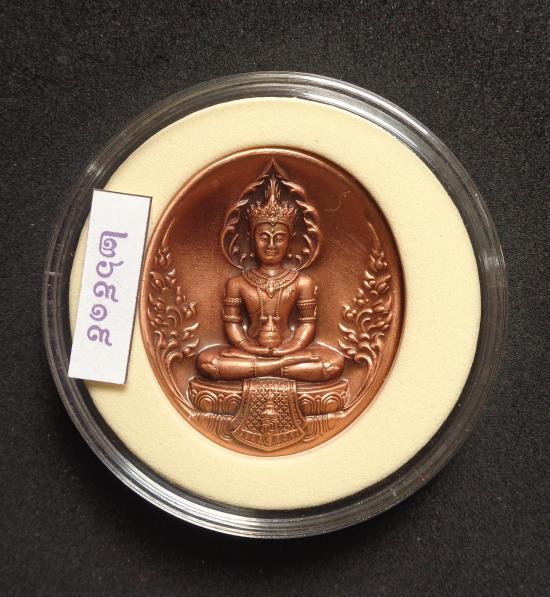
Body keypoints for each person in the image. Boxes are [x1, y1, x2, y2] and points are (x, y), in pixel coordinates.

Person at [196, 173, 344, 382]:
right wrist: (251, 347)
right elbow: (233, 326)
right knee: (206, 361)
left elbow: (306, 324)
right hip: (250, 352)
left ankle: (262, 369)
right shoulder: (237, 284)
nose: (271, 245)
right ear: (251, 239)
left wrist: (289, 348)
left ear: (290, 241)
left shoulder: (303, 283)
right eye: (264, 237)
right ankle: (278, 368)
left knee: (333, 363)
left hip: (290, 350)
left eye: (279, 238)